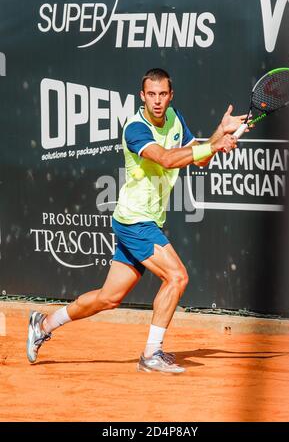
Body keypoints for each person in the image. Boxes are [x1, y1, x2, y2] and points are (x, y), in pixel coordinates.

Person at [27, 68, 248, 373]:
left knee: (109, 298)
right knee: (177, 277)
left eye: (163, 94)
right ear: (142, 96)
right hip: (135, 220)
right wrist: (214, 144)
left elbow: (199, 158)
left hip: (145, 220)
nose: (157, 101)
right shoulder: (135, 128)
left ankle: (44, 324)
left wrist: (218, 134)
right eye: (151, 95)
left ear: (170, 96)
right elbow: (168, 159)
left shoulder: (174, 118)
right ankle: (151, 354)